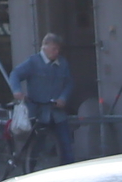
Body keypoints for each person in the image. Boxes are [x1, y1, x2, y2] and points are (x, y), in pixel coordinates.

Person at [7, 32, 76, 165]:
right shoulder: (33, 62)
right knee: (36, 147)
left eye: (58, 49)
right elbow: (15, 74)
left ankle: (69, 171)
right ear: (45, 47)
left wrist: (63, 98)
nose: (56, 52)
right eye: (53, 49)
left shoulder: (62, 63)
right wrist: (17, 91)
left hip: (57, 111)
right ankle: (29, 170)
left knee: (66, 145)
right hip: (38, 111)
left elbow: (69, 83)